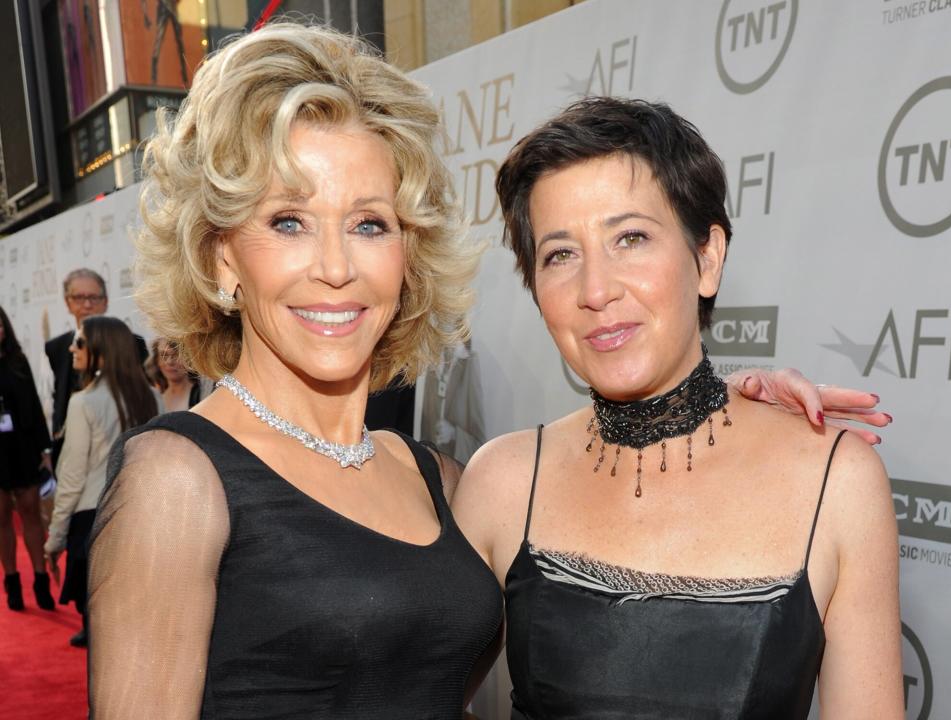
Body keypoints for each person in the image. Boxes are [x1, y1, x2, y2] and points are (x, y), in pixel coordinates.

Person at [87, 23, 884, 718]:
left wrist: (738, 406)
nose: (335, 267)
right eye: (289, 221)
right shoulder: (180, 476)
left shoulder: (435, 480)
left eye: (369, 223)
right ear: (223, 259)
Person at [452, 97, 901, 718]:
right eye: (561, 254)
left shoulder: (837, 479)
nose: (597, 290)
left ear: (707, 258)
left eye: (630, 238)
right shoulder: (500, 481)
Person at [44, 316, 160, 647]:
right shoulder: (152, 397)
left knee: (100, 630)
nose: (72, 348)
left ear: (103, 351)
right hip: (140, 516)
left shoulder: (83, 402)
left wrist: (55, 537)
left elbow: (71, 477)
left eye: (80, 342)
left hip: (93, 519)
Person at [44, 269, 148, 468]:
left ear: (105, 301)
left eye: (93, 297)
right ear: (67, 302)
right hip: (69, 452)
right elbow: (57, 395)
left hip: (121, 453)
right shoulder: (55, 348)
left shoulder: (134, 345)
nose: (87, 304)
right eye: (79, 297)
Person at [0, 305, 56, 612]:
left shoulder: (18, 362)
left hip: (22, 449)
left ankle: (40, 579)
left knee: (32, 514)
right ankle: (11, 583)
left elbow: (34, 408)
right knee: (2, 521)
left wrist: (44, 450)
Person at [146, 337, 203, 411]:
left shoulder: (203, 394)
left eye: (176, 355)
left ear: (188, 359)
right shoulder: (153, 399)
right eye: (164, 355)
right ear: (156, 361)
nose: (170, 362)